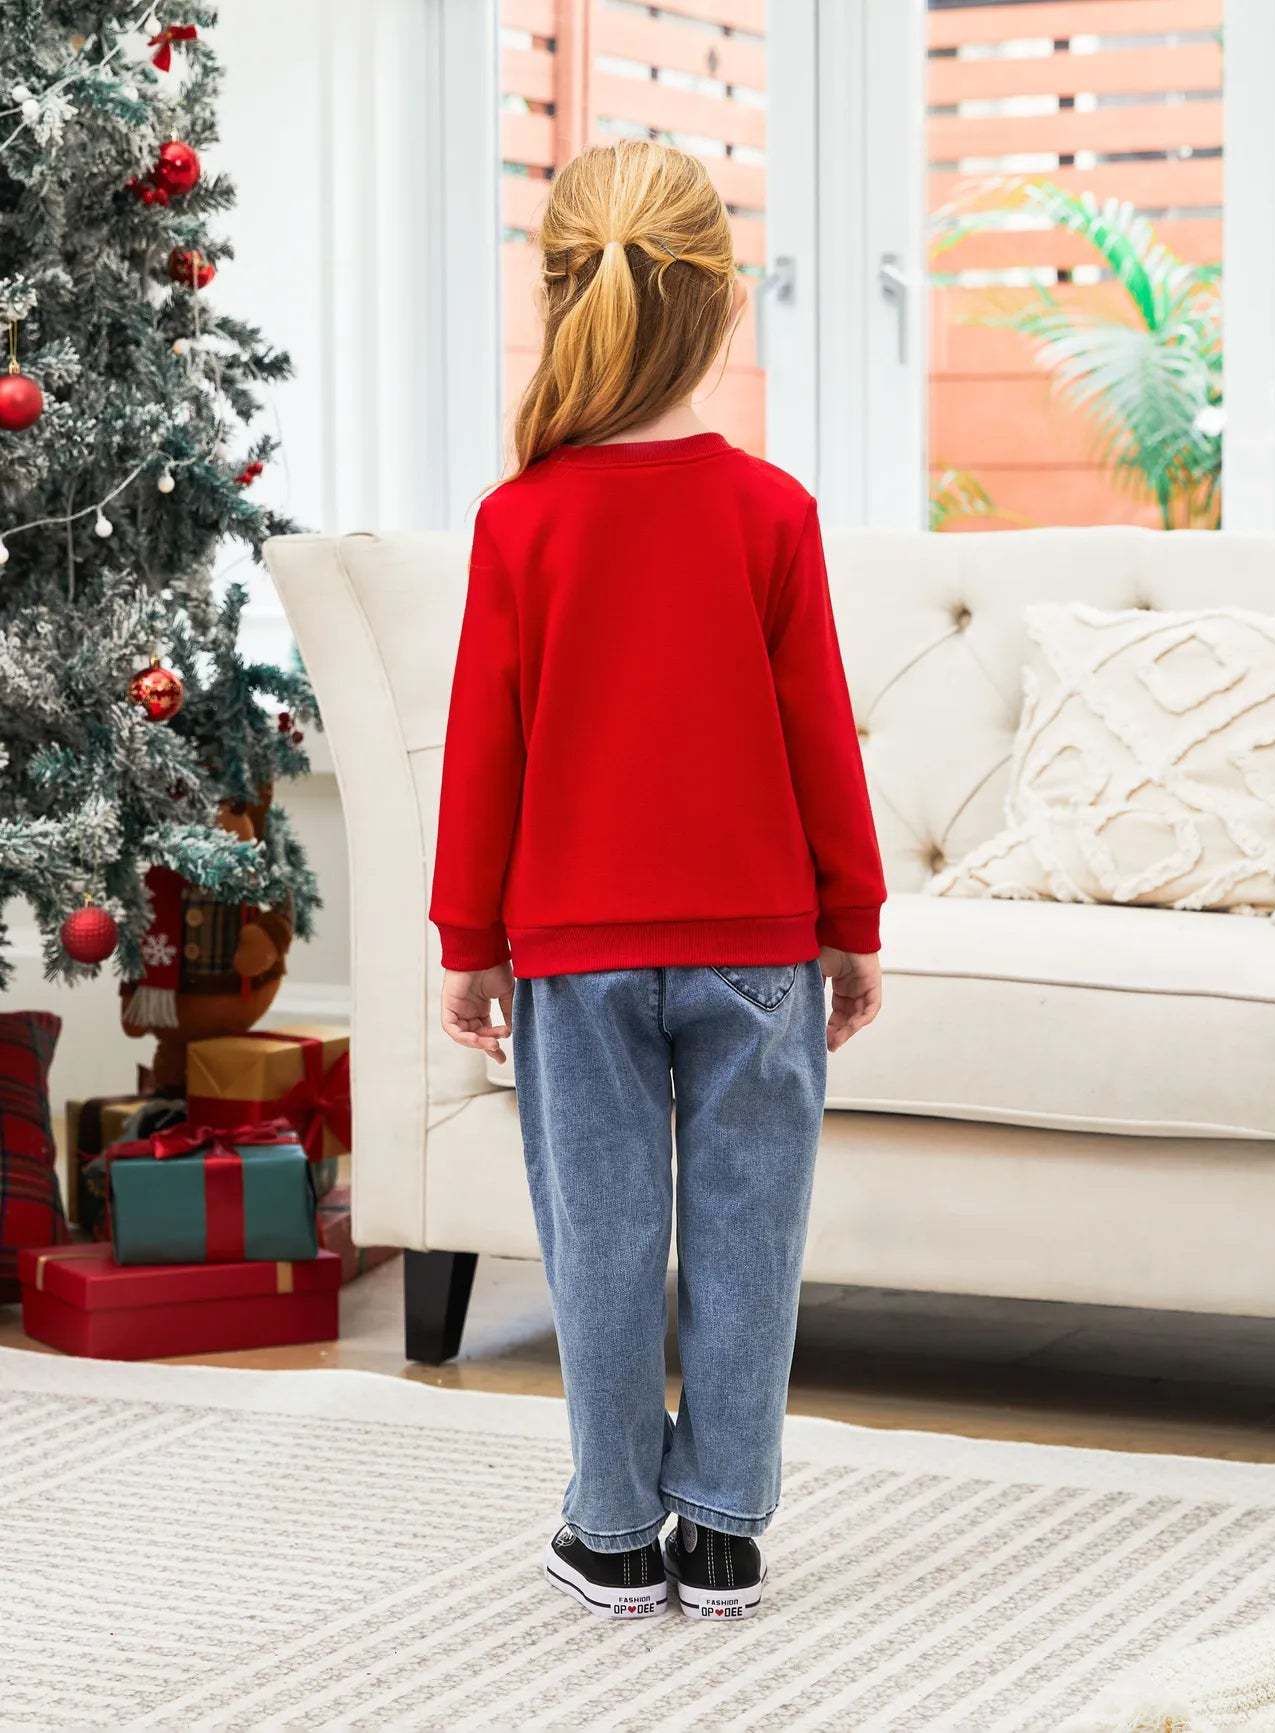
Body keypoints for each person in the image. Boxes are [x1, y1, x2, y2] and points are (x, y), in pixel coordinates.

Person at [429, 139, 885, 1623]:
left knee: (604, 1241)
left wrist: (468, 940)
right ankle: (726, 1531)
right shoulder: (772, 513)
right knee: (753, 1233)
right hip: (761, 951)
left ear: (560, 297)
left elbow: (483, 754)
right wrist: (853, 924)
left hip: (575, 956)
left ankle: (616, 1531)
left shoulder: (520, 521)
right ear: (723, 304)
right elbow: (822, 741)